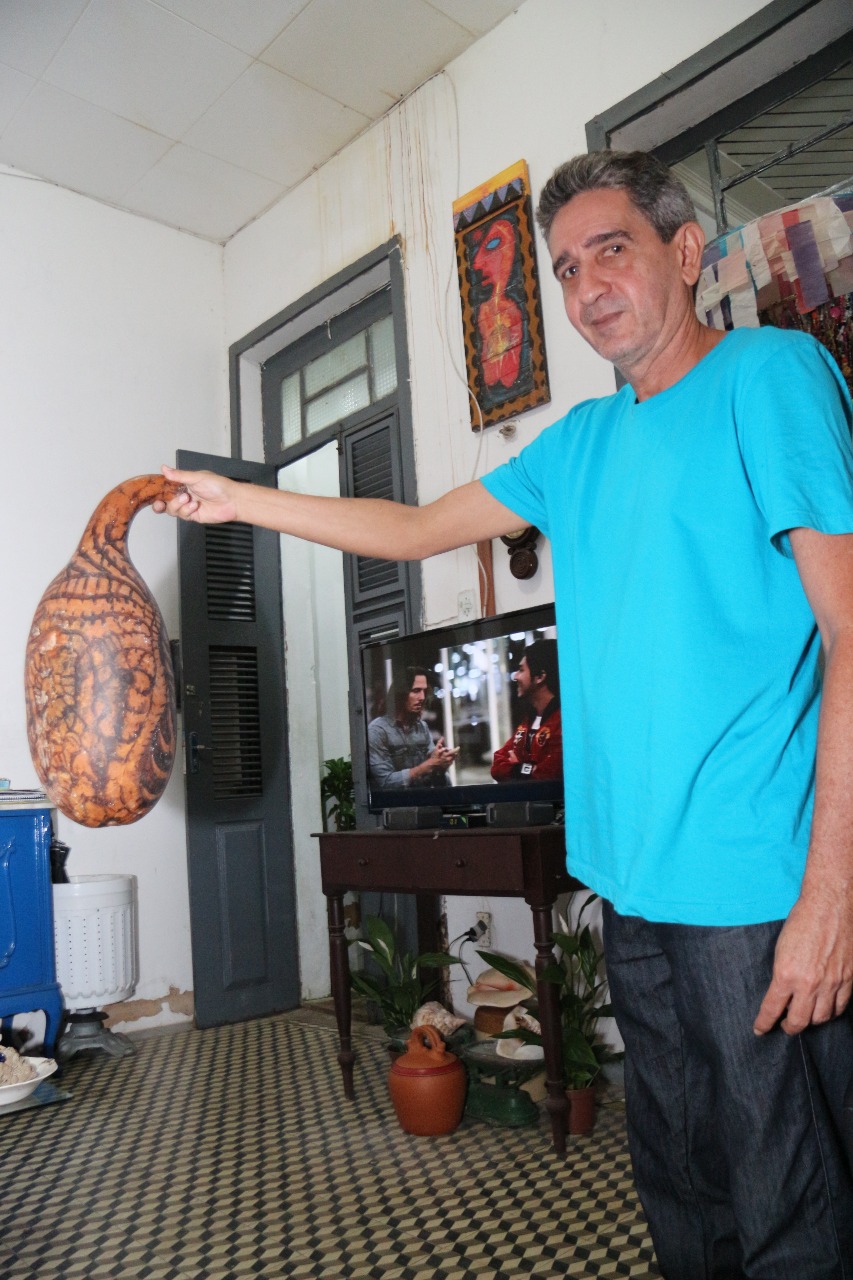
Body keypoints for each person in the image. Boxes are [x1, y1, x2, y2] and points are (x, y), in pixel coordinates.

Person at [157, 150, 853, 1277]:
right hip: (629, 883)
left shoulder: (770, 378)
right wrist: (239, 499)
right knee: (682, 1189)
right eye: (566, 268)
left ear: (683, 251)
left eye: (610, 251)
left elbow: (850, 629)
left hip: (752, 888)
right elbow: (409, 529)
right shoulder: (579, 443)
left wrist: (831, 896)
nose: (586, 288)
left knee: (789, 1200)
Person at [367, 665, 458, 789]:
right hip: (395, 801)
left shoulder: (422, 728)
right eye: (416, 691)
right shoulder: (377, 731)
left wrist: (440, 765)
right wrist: (429, 765)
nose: (422, 697)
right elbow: (386, 782)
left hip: (423, 798)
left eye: (424, 691)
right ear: (400, 694)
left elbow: (435, 776)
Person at [491, 639, 561, 781]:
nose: (515, 676)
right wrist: (523, 769)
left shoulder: (563, 721)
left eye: (521, 670)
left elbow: (550, 774)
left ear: (540, 677)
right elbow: (497, 766)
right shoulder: (528, 722)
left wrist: (518, 768)